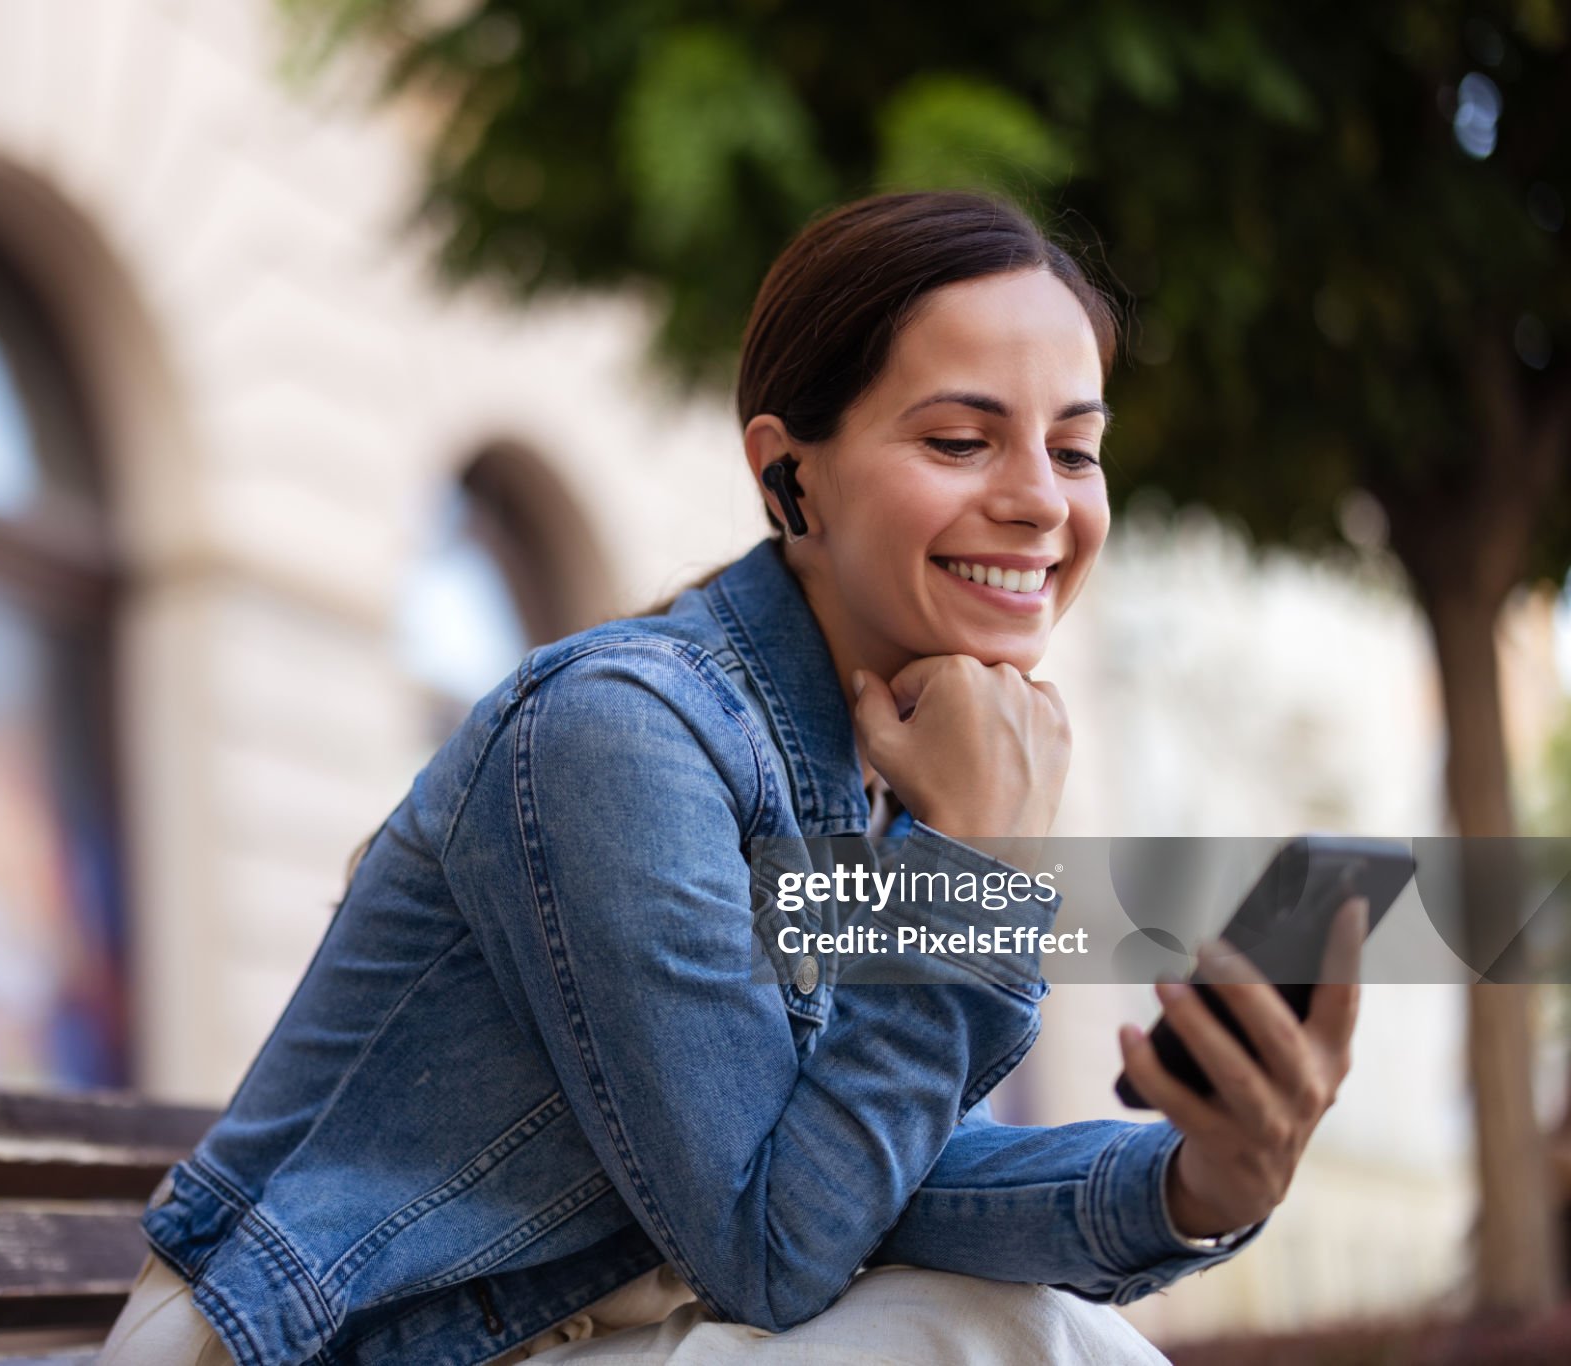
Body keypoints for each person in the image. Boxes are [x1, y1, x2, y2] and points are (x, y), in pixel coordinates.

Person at [95, 189, 1363, 1366]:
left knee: (1020, 1326)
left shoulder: (879, 768)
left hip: (582, 1335)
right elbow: (776, 1249)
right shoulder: (617, 732)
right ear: (788, 473)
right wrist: (974, 862)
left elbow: (886, 1181)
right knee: (1004, 1344)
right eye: (963, 438)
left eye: (1074, 450)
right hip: (336, 1347)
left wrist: (1197, 1188)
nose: (1039, 501)